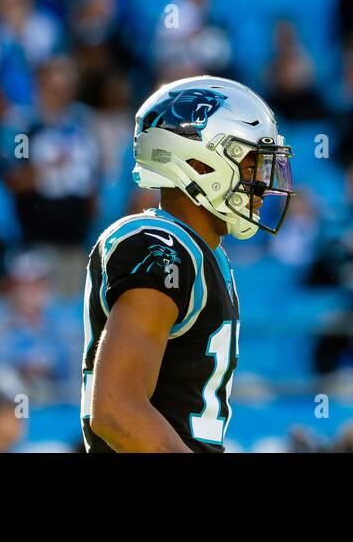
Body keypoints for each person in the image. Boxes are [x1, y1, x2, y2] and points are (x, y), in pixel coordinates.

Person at [82, 76, 295, 453]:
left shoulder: (203, 253)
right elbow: (117, 409)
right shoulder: (161, 246)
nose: (262, 183)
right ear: (199, 160)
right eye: (250, 163)